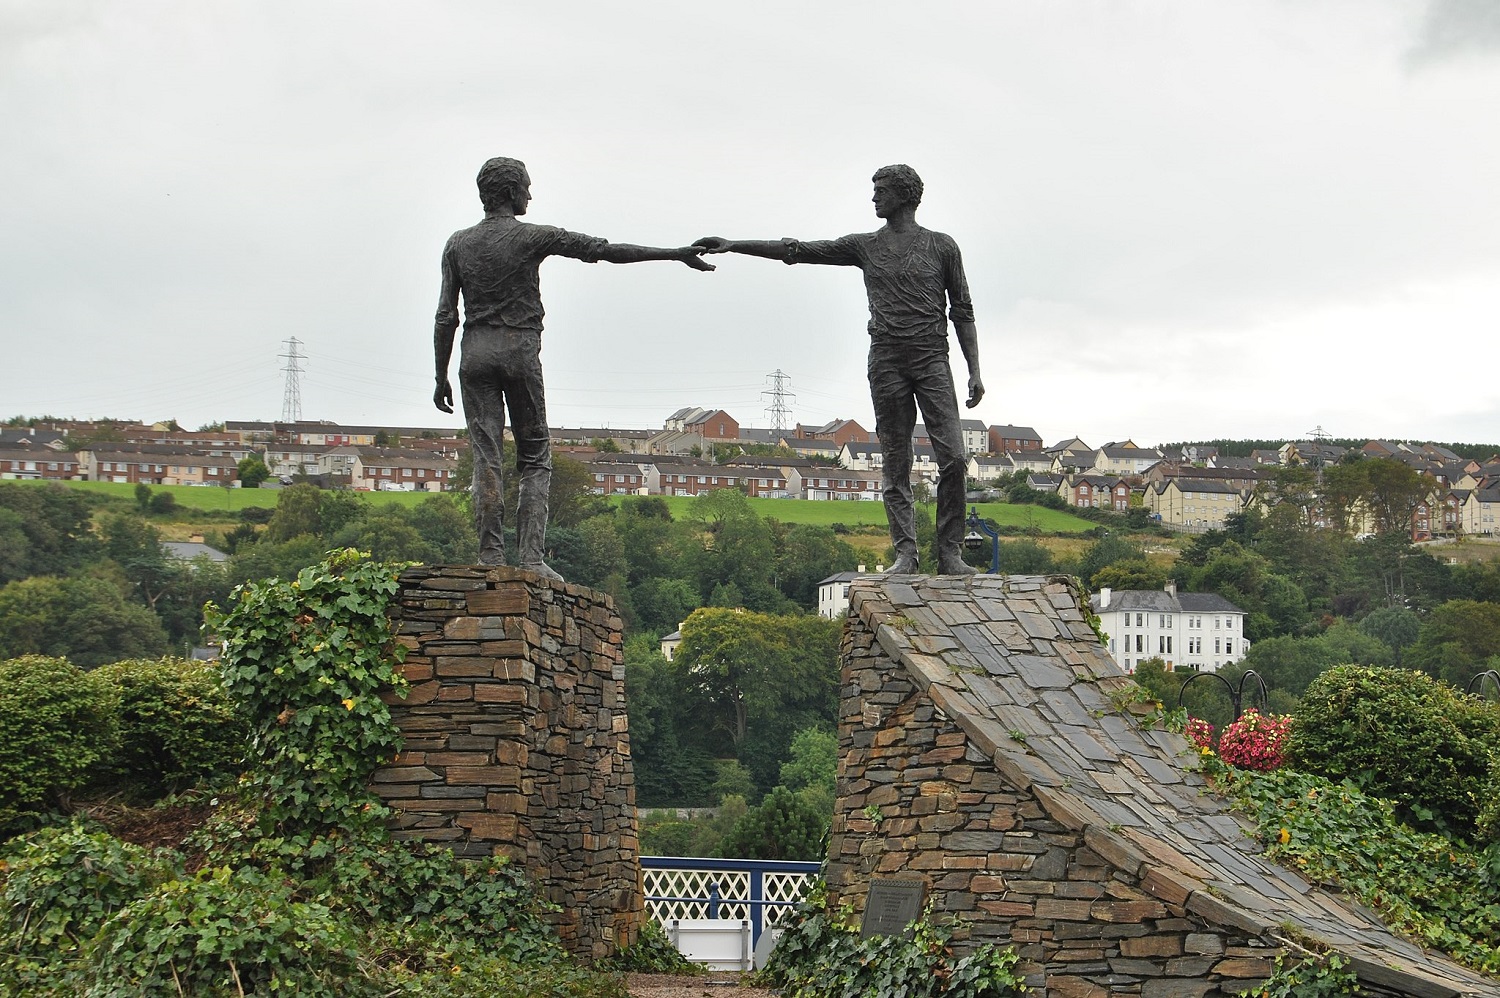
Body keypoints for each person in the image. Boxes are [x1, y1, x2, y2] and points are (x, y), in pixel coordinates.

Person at [695, 165, 984, 574]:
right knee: (895, 459)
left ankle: (950, 553)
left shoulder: (942, 247)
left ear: (904, 195)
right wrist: (734, 245)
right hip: (886, 360)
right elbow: (800, 251)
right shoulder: (865, 246)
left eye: (880, 190)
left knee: (954, 457)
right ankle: (906, 553)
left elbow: (963, 310)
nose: (873, 198)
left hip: (932, 358)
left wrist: (974, 370)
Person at [435, 156, 712, 578]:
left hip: (473, 356)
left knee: (486, 459)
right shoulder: (532, 236)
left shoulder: (458, 243)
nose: (531, 193)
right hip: (518, 352)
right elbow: (604, 250)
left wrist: (439, 373)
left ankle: (490, 557)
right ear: (510, 192)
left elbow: (445, 316)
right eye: (527, 186)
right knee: (534, 457)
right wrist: (674, 254)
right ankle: (530, 559)